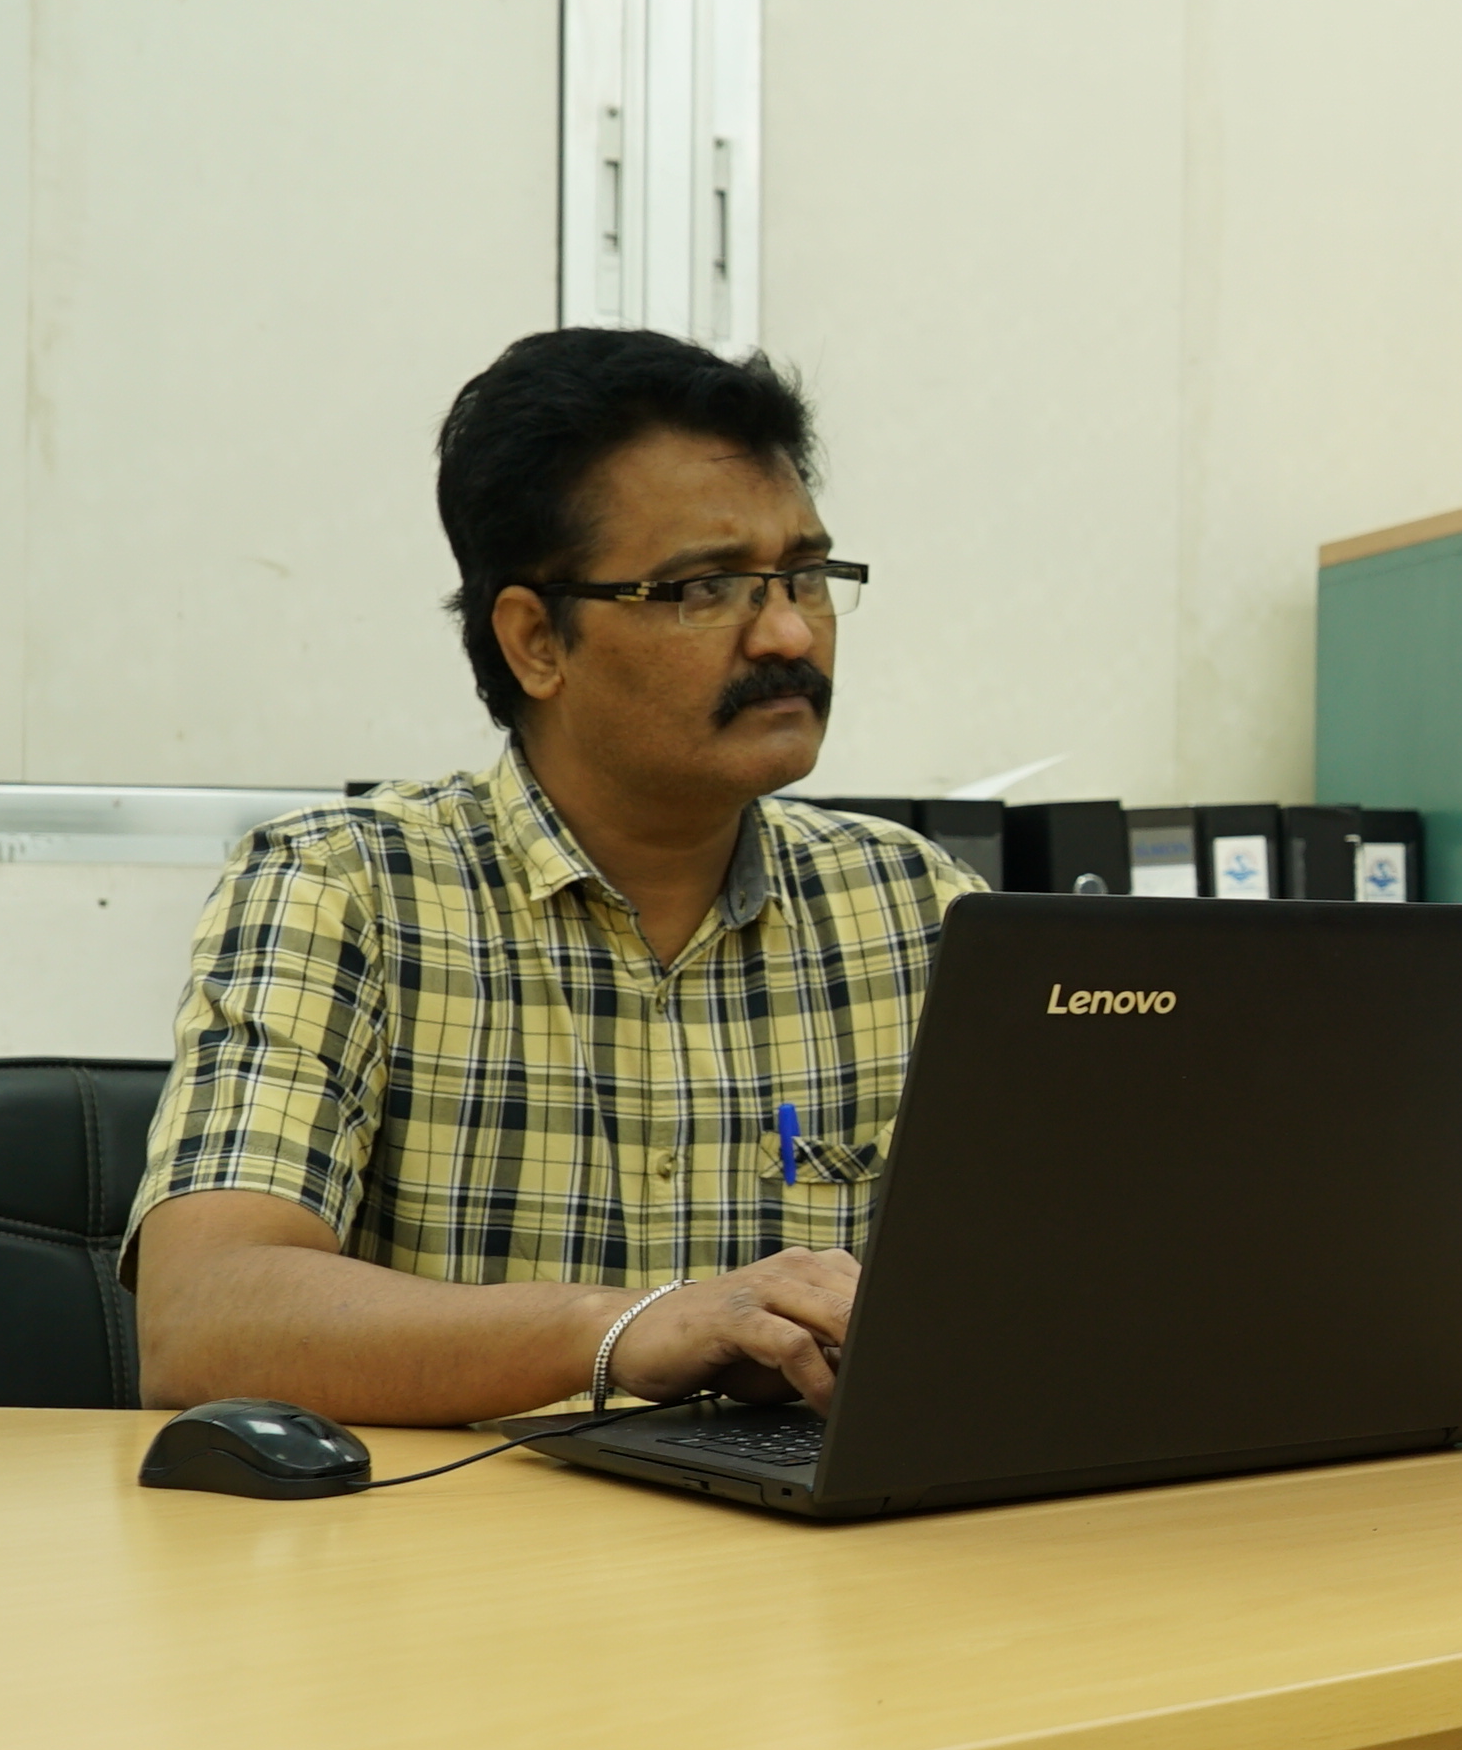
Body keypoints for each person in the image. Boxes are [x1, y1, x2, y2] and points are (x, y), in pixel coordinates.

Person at [125, 329, 982, 1426]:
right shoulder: (347, 887)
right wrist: (629, 1330)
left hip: (816, 1567)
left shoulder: (918, 908)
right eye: (704, 586)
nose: (785, 631)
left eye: (805, 575)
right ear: (536, 640)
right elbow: (204, 1320)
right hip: (456, 1569)